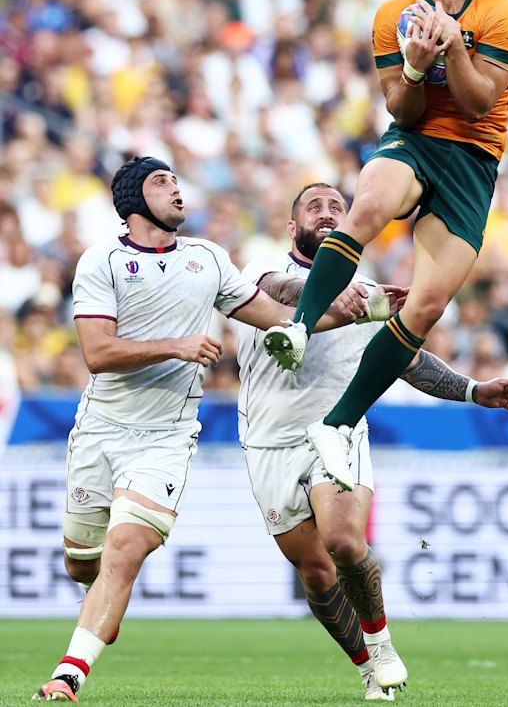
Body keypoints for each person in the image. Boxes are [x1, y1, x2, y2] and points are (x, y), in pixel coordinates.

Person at [32, 157, 377, 703]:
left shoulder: (208, 259)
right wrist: (178, 345)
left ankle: (68, 675)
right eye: (160, 182)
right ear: (133, 202)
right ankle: (102, 607)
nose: (175, 189)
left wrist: (359, 310)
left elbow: (281, 316)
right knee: (82, 561)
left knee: (124, 550)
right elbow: (97, 353)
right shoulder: (103, 260)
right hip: (100, 430)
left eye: (175, 180)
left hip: (167, 436)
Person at [263, 0, 508, 491]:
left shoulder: (504, 14)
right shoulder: (394, 14)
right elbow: (402, 110)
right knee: (370, 206)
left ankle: (337, 424)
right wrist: (413, 66)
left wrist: (453, 45)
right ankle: (300, 327)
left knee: (427, 306)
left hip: (473, 160)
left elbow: (479, 102)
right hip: (414, 140)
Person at [238, 183, 508, 699]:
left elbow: (407, 359)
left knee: (344, 543)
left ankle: (382, 647)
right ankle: (367, 667)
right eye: (316, 207)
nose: (329, 213)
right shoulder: (258, 267)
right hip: (268, 442)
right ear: (293, 227)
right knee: (314, 573)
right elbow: (281, 291)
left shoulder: (368, 289)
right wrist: (334, 293)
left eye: (339, 206)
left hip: (338, 431)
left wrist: (473, 389)